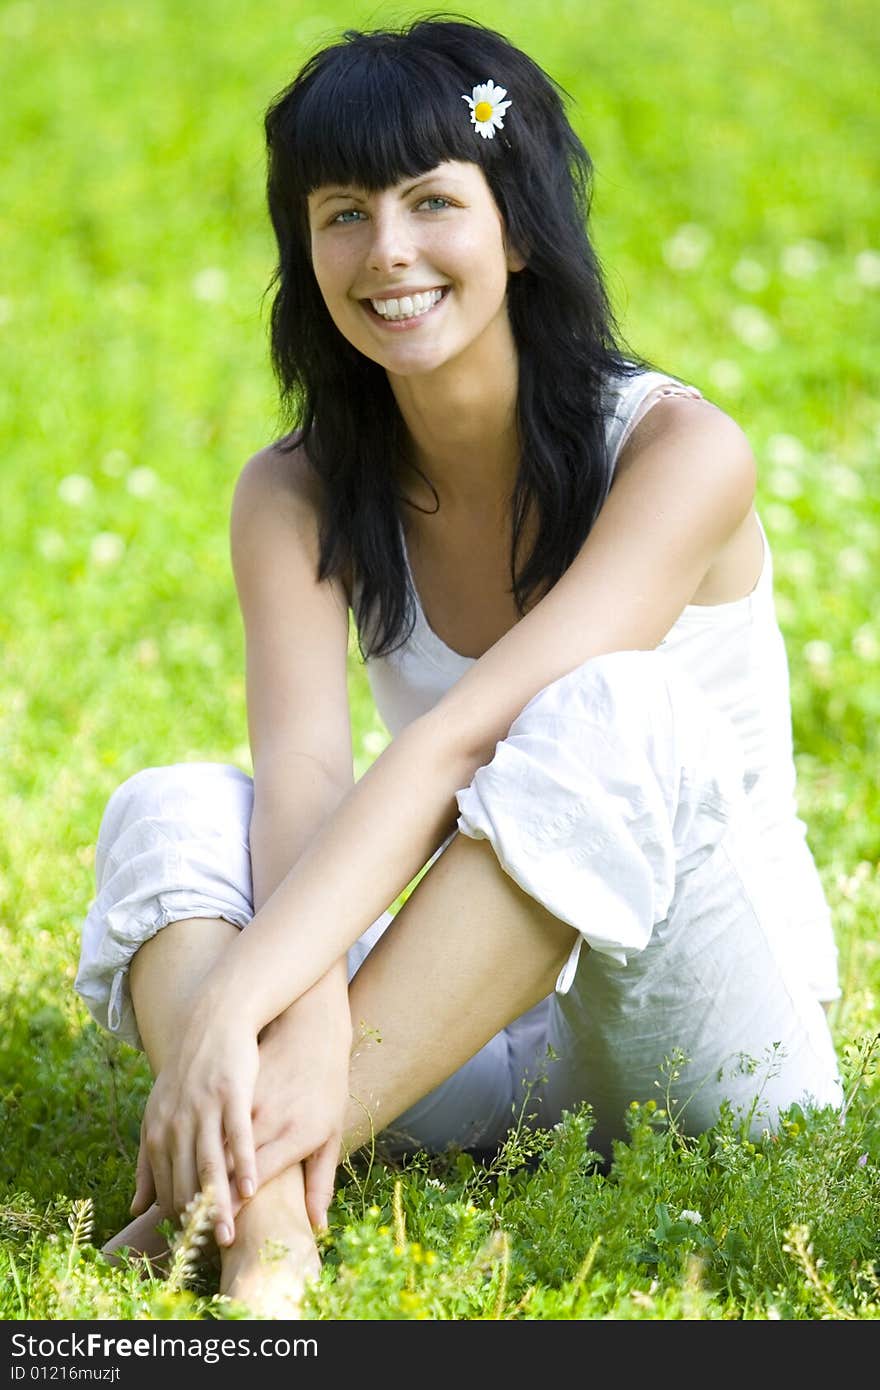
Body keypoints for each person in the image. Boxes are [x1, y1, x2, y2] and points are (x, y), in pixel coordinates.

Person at [75, 15, 843, 1318]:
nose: (388, 252)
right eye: (342, 211)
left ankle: (211, 1196)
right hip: (477, 1021)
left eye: (434, 201)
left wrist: (237, 1006)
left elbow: (457, 742)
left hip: (704, 1025)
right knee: (174, 805)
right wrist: (295, 997)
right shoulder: (297, 491)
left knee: (613, 705)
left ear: (520, 226)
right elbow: (307, 789)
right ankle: (273, 1254)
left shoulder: (677, 454)